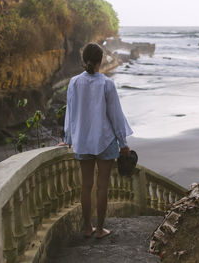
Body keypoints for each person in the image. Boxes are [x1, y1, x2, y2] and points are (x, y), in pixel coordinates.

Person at [59, 43, 133, 239]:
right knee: (102, 187)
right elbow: (115, 116)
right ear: (101, 61)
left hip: (82, 141)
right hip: (105, 141)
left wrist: (68, 138)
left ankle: (87, 228)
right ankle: (100, 229)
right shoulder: (107, 84)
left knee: (86, 186)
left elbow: (70, 113)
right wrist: (123, 143)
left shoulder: (74, 82)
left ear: (84, 60)